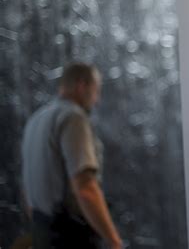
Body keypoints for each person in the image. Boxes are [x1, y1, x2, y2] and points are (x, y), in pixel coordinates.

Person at [21, 63, 122, 249]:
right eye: (96, 91)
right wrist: (113, 240)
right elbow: (85, 187)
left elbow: (27, 191)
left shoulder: (35, 120)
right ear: (82, 86)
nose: (97, 100)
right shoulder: (73, 117)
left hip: (42, 232)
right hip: (70, 236)